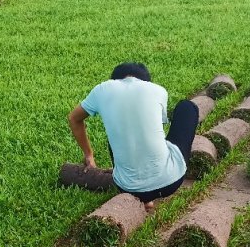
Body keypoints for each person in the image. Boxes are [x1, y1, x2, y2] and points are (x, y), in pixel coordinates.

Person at [68, 63, 199, 211]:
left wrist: (89, 155)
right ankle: (150, 197)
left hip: (126, 187)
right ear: (145, 81)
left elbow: (74, 119)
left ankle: (146, 201)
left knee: (121, 130)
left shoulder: (102, 89)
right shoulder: (157, 90)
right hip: (171, 182)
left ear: (115, 80)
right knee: (187, 107)